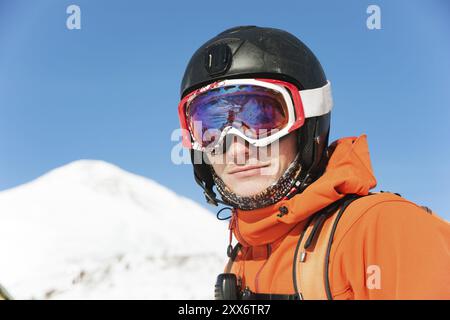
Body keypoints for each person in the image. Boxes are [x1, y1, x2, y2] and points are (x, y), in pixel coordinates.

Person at [177, 25, 450, 300]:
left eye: (261, 119)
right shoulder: (243, 255)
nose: (236, 149)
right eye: (211, 127)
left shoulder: (383, 230)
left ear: (307, 124)